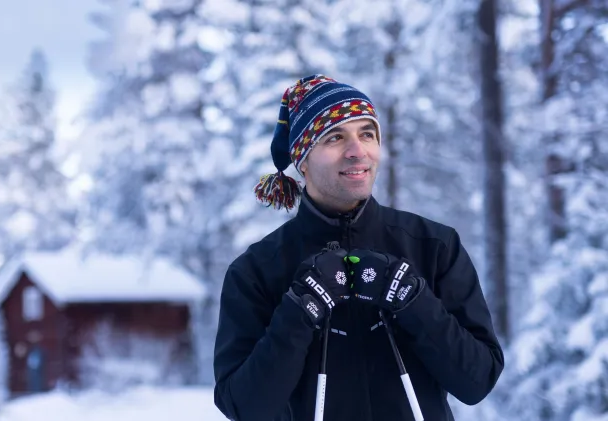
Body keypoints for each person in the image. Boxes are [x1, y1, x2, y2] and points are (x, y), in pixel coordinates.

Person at [212, 74, 504, 421]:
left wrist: (414, 301)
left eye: (367, 134)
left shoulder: (434, 246)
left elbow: (478, 380)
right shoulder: (257, 270)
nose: (357, 151)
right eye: (335, 138)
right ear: (302, 160)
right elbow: (244, 408)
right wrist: (298, 312)